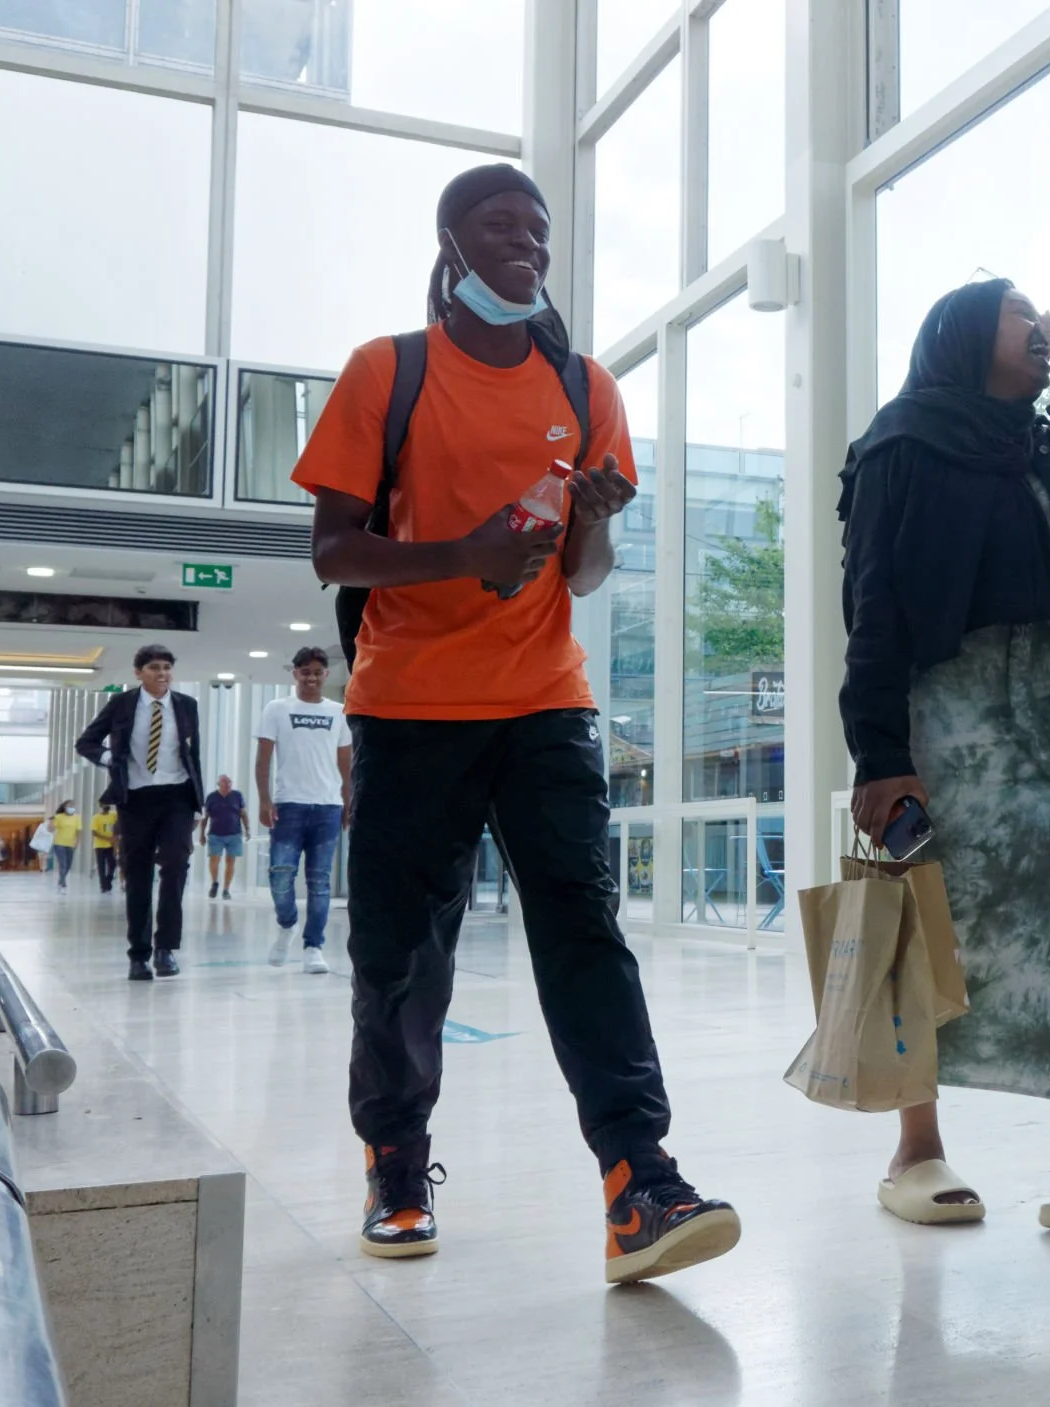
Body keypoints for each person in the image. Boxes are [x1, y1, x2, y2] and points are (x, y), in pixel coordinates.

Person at [294, 164, 736, 1281]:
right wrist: (466, 554)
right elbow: (333, 550)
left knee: (585, 932)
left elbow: (584, 578)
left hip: (546, 698)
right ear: (451, 240)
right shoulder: (385, 372)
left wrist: (586, 525)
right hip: (408, 707)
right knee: (400, 954)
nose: (527, 244)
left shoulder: (587, 387)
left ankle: (639, 1178)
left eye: (539, 231)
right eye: (503, 225)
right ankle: (395, 1160)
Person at [839, 277, 1050, 1240]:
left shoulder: (1038, 442)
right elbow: (873, 607)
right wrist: (879, 755)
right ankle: (916, 1150)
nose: (1038, 327)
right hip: (940, 714)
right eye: (1018, 315)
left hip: (1048, 703)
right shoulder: (900, 445)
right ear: (961, 333)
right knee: (927, 925)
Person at [77, 644, 204, 980]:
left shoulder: (186, 706)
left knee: (176, 865)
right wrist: (111, 760)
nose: (162, 674)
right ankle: (138, 954)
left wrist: (197, 803)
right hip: (135, 797)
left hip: (177, 795)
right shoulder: (122, 704)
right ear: (138, 673)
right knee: (137, 874)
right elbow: (86, 742)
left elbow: (194, 756)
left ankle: (166, 949)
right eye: (153, 668)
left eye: (166, 667)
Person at [256, 646, 351, 974]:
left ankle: (314, 946)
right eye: (304, 671)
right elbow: (264, 757)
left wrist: (348, 800)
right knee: (280, 876)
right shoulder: (276, 708)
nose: (311, 677)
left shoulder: (339, 711)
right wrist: (265, 800)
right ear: (295, 673)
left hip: (327, 807)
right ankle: (287, 924)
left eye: (317, 672)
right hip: (289, 804)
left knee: (320, 881)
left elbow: (345, 761)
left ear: (326, 675)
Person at [200, 775, 248, 899]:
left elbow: (243, 814)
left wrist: (247, 829)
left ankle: (226, 890)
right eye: (225, 782)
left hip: (234, 834)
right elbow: (205, 818)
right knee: (214, 859)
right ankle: (215, 883)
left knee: (230, 862)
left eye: (230, 782)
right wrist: (201, 835)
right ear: (219, 784)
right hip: (215, 834)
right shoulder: (211, 797)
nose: (228, 785)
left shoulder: (237, 796)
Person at [47, 802, 81, 890]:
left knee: (68, 865)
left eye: (73, 806)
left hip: (70, 844)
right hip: (59, 844)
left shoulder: (77, 818)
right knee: (63, 864)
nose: (71, 808)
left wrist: (77, 841)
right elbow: (50, 830)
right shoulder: (59, 817)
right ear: (64, 807)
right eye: (69, 806)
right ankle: (62, 882)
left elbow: (78, 831)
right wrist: (51, 821)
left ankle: (61, 880)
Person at [91, 801, 119, 893]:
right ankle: (103, 886)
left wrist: (114, 841)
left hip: (111, 845)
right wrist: (107, 838)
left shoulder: (113, 815)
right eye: (105, 805)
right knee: (101, 866)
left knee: (113, 864)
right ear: (101, 806)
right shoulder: (96, 818)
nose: (107, 806)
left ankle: (108, 881)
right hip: (99, 845)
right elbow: (94, 832)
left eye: (108, 804)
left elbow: (117, 827)